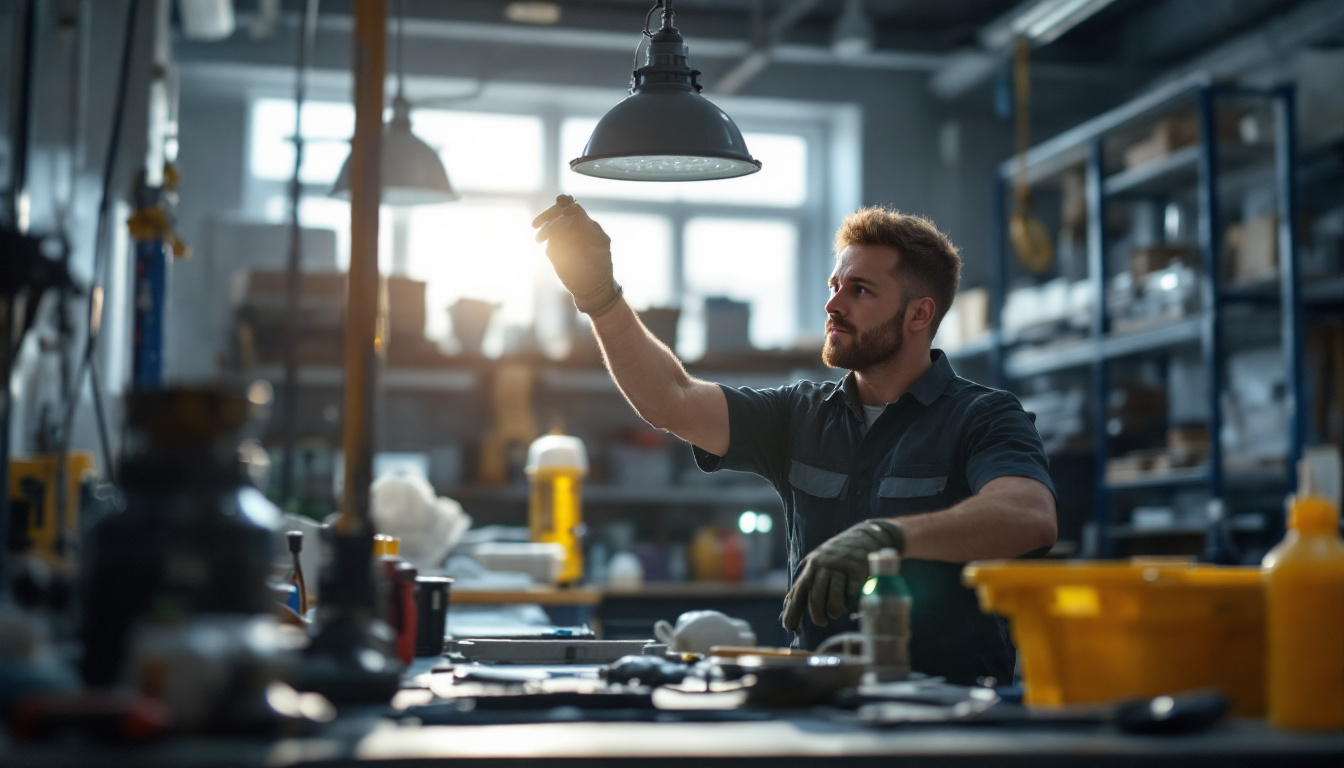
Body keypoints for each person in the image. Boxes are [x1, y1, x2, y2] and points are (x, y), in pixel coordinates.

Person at [532, 195, 1057, 685]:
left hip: (950, 714)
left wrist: (888, 536)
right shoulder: (799, 415)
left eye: (860, 291)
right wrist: (600, 296)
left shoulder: (983, 417)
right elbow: (671, 399)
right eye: (835, 286)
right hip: (821, 701)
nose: (833, 305)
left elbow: (1029, 515)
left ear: (920, 313)